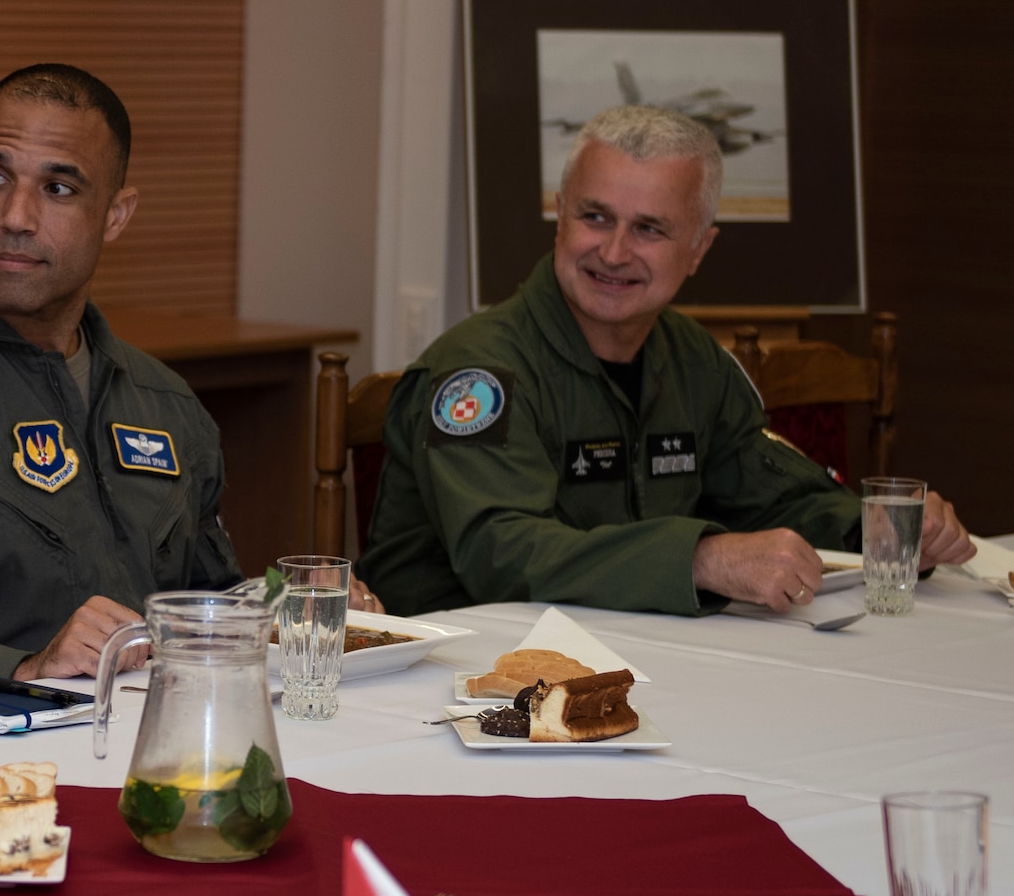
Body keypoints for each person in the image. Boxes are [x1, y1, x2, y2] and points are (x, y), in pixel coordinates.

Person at [0, 63, 376, 715]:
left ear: (115, 215)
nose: (15, 216)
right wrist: (25, 668)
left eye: (57, 188)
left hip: (149, 754)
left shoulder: (168, 407)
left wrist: (296, 606)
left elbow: (206, 605)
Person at [358, 105, 974, 617]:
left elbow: (772, 493)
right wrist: (701, 558)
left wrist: (879, 529)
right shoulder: (481, 373)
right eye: (594, 217)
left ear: (699, 249)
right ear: (559, 216)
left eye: (650, 229)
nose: (614, 251)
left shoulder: (692, 358)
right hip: (463, 685)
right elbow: (504, 552)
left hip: (634, 660)